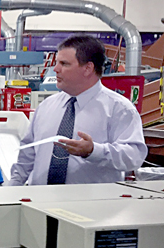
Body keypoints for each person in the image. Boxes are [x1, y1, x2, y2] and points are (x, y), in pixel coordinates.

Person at [9, 35, 147, 186]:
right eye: (56, 63)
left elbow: (133, 157)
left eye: (64, 64)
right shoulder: (46, 107)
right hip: (39, 201)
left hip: (88, 205)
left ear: (88, 68)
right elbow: (27, 157)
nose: (55, 69)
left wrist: (94, 151)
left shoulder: (119, 109)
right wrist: (12, 189)